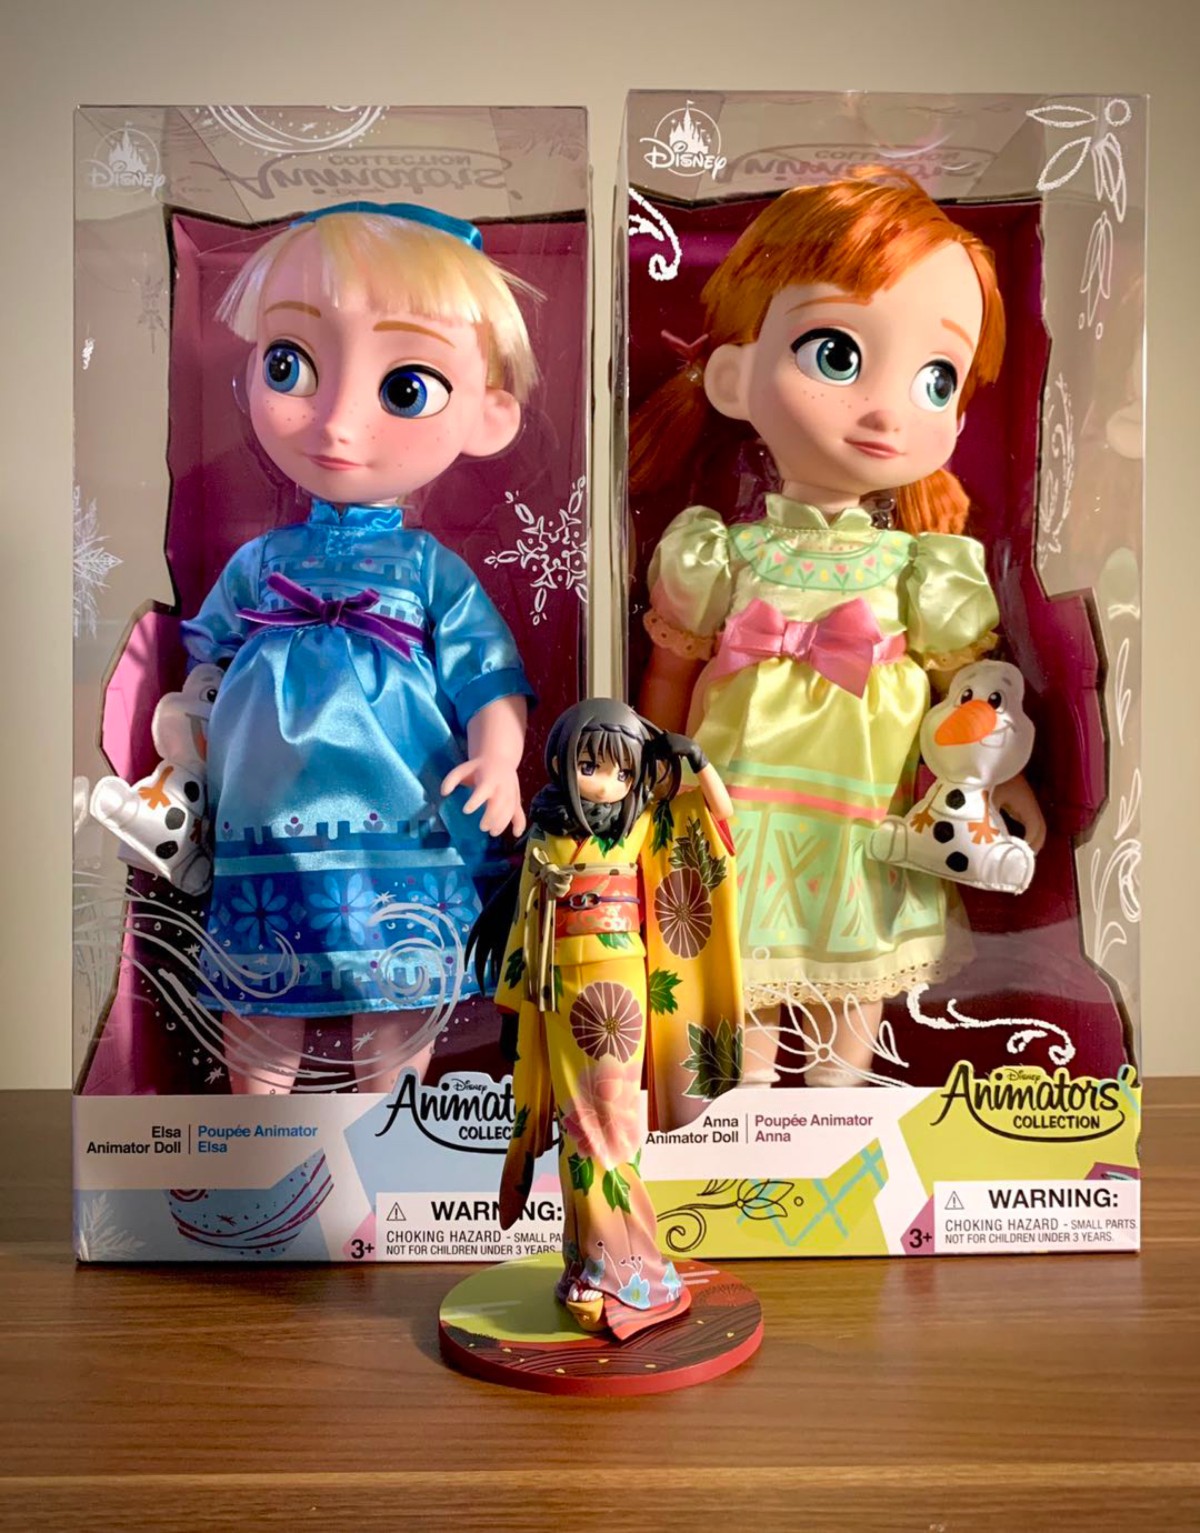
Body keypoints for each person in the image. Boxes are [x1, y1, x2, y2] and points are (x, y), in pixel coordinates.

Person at [634, 174, 1045, 1087]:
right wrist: (649, 775)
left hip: (866, 819)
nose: (888, 410)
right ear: (734, 376)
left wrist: (998, 780)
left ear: (958, 416)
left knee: (852, 998)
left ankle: (838, 1126)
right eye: (835, 353)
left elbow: (961, 701)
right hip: (740, 812)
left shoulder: (921, 568)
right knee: (737, 988)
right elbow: (667, 677)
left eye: (935, 379)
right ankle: (734, 1128)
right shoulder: (719, 552)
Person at [167, 202, 536, 1093]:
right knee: (262, 985)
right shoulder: (263, 564)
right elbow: (203, 664)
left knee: (396, 991)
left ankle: (389, 1129)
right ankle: (259, 1137)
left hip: (400, 810)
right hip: (264, 818)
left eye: (404, 387)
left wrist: (499, 760)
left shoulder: (428, 568)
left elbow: (488, 673)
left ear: (489, 415)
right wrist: (182, 735)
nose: (336, 422)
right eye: (290, 366)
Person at [470, 699, 742, 1339]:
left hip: (616, 985)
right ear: (561, 760)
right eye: (590, 766)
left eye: (623, 773)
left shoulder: (642, 823)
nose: (606, 784)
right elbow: (524, 919)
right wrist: (518, 1006)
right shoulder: (545, 829)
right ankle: (586, 1263)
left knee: (605, 1126)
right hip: (555, 986)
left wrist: (698, 762)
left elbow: (719, 821)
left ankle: (625, 1274)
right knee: (579, 1127)